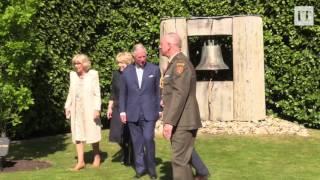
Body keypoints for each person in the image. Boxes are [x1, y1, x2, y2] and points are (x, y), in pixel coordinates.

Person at [160, 32, 209, 180]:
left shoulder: (181, 64)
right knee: (183, 160)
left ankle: (203, 174)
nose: (159, 46)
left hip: (183, 121)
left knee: (179, 161)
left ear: (169, 46)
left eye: (162, 44)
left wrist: (169, 122)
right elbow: (175, 93)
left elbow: (179, 94)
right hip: (181, 120)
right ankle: (203, 174)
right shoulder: (175, 63)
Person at [119, 43, 161, 179]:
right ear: (133, 57)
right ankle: (140, 170)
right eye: (139, 57)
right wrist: (122, 111)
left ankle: (151, 169)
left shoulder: (154, 70)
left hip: (149, 113)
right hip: (132, 113)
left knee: (148, 139)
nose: (143, 59)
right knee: (137, 143)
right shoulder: (126, 72)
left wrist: (159, 109)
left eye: (144, 56)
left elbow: (158, 92)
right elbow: (122, 94)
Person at [64, 53, 102, 171]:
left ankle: (97, 156)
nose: (76, 66)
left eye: (78, 63)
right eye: (75, 63)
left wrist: (97, 108)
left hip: (90, 108)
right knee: (78, 134)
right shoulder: (73, 76)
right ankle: (80, 162)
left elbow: (97, 93)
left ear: (84, 64)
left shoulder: (93, 75)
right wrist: (67, 106)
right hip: (77, 109)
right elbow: (71, 92)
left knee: (93, 133)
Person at [107, 52, 134, 166]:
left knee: (129, 134)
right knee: (117, 134)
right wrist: (109, 107)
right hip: (118, 107)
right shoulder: (116, 74)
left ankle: (130, 155)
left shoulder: (134, 73)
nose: (119, 65)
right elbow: (113, 92)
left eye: (122, 62)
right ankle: (125, 150)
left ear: (128, 62)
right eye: (118, 63)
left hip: (130, 106)